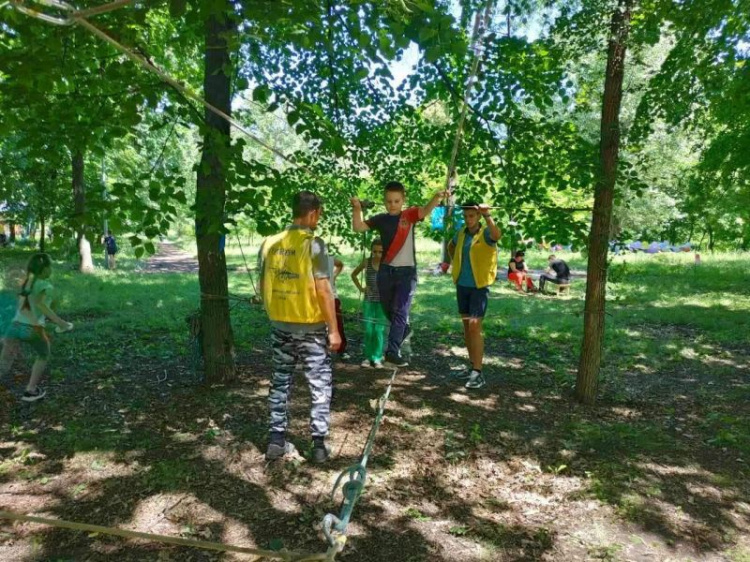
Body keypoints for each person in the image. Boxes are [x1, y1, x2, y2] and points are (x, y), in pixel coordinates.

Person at [258, 191, 341, 463]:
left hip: (280, 324)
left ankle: (276, 440)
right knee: (319, 384)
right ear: (314, 213)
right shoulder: (314, 245)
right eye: (320, 214)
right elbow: (324, 290)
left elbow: (262, 283)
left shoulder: (270, 242)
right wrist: (334, 329)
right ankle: (318, 445)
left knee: (280, 380)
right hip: (311, 328)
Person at [351, 182, 446, 367]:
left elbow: (425, 211)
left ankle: (392, 351)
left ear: (403, 200)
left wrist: (436, 197)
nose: (392, 204)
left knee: (401, 310)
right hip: (385, 272)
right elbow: (358, 227)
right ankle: (403, 331)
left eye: (396, 201)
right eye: (388, 201)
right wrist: (356, 208)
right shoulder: (380, 219)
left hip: (406, 273)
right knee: (390, 311)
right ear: (384, 201)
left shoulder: (408, 215)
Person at [0, 253, 73, 402]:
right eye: (50, 266)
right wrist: (62, 324)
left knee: (5, 362)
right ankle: (30, 391)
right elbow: (42, 306)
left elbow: (21, 306)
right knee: (43, 355)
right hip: (33, 329)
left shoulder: (26, 283)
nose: (51, 269)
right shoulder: (46, 285)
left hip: (14, 327)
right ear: (45, 269)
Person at [447, 202, 500, 389]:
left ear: (477, 216)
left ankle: (478, 372)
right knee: (467, 327)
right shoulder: (461, 233)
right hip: (462, 285)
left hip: (479, 287)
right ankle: (472, 367)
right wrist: (455, 264)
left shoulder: (485, 232)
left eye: (472, 215)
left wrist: (488, 215)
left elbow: (496, 235)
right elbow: (451, 246)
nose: (468, 219)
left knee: (474, 327)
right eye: (466, 215)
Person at [351, 239, 388, 369]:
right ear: (371, 251)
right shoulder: (366, 262)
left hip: (382, 302)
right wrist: (361, 288)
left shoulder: (387, 264)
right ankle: (368, 357)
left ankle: (377, 358)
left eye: (380, 252)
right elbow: (354, 274)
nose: (377, 254)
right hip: (368, 300)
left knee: (378, 330)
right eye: (374, 251)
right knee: (368, 330)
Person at [328, 255, 349, 360]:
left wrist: (334, 276)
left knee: (338, 322)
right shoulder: (306, 259)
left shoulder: (328, 258)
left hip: (332, 296)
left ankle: (342, 349)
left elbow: (339, 264)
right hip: (316, 297)